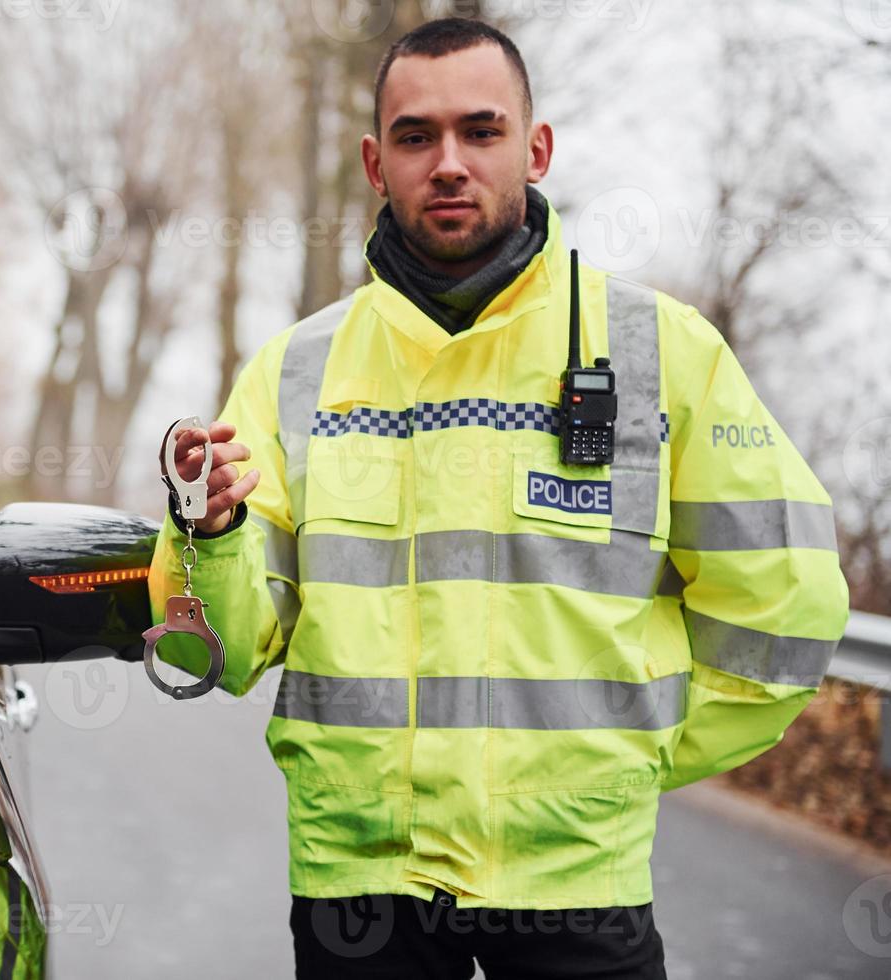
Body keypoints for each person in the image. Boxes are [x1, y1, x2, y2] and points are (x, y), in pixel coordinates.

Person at [147, 17, 849, 979]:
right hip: (361, 892)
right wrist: (212, 531)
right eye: (415, 136)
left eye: (481, 131)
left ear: (536, 146)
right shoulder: (295, 373)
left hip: (576, 888)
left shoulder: (660, 354)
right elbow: (211, 655)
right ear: (372, 160)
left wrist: (625, 766)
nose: (448, 162)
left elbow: (785, 607)